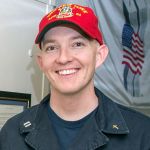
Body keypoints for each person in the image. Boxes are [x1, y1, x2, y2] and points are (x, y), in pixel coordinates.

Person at [0, 3, 150, 150]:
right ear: (41, 62)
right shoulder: (12, 133)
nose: (63, 58)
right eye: (52, 47)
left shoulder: (142, 135)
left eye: (77, 44)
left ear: (99, 55)